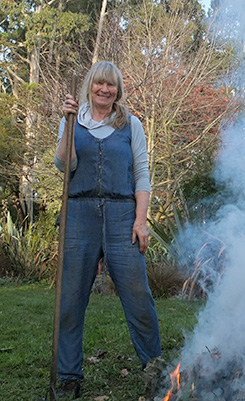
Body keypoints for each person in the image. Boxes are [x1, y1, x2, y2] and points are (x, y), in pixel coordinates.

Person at [54, 61, 162, 398]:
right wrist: (69, 124)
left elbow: (142, 174)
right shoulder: (72, 119)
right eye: (99, 83)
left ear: (118, 90)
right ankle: (70, 375)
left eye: (111, 85)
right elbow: (64, 165)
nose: (105, 89)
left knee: (138, 295)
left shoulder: (131, 124)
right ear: (90, 86)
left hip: (121, 215)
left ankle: (155, 369)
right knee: (70, 298)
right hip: (78, 214)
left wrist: (140, 221)